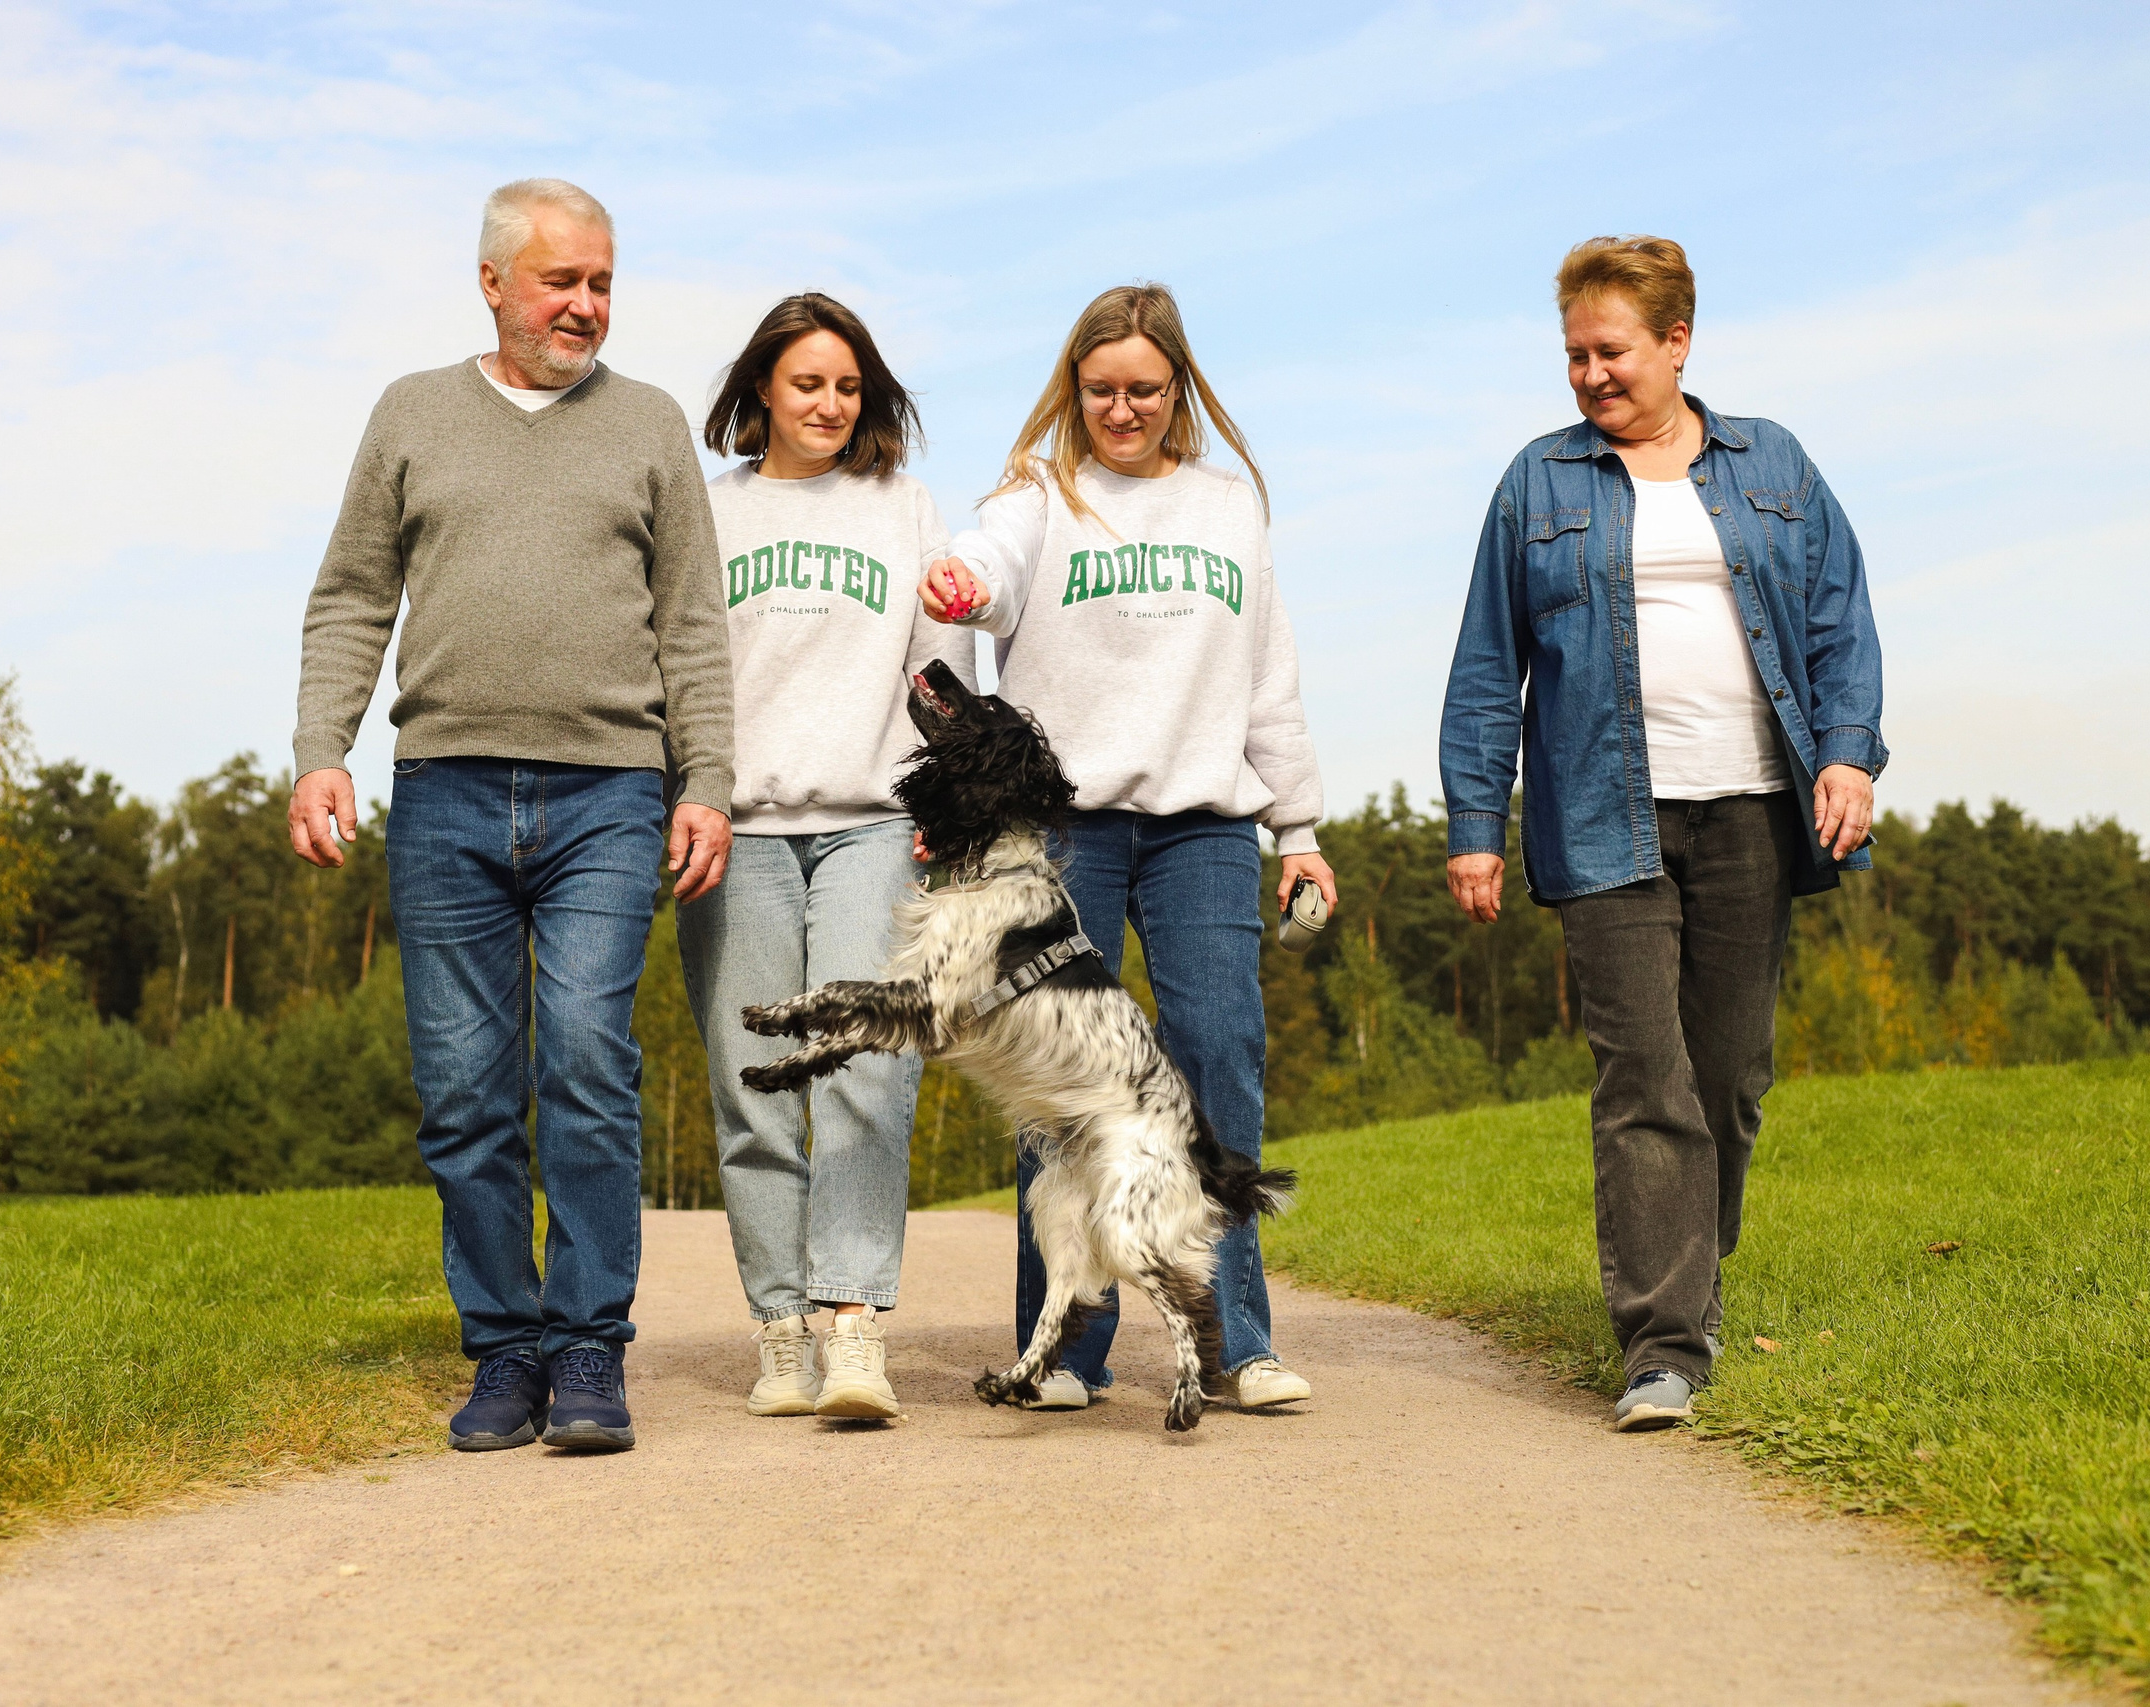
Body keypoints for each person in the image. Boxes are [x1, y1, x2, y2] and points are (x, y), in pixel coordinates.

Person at [287, 177, 735, 1454]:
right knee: (467, 1094)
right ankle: (504, 1353)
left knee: (588, 1067)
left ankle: (590, 1349)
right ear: (493, 283)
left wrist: (705, 781)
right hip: (445, 793)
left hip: (609, 790)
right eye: (561, 282)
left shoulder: (649, 425)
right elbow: (351, 597)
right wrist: (323, 751)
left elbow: (692, 624)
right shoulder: (410, 414)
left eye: (602, 283)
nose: (586, 306)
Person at [1437, 236, 1884, 1431]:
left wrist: (1847, 752)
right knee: (1644, 1079)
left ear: (1676, 344)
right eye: (1574, 354)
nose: (1589, 374)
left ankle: (1694, 1274)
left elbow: (1841, 621)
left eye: (1611, 351)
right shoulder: (1537, 484)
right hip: (1598, 820)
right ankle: (1662, 1344)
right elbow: (1489, 666)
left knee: (1728, 1076)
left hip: (1750, 807)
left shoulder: (1771, 461)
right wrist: (1475, 823)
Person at [922, 282, 1337, 1413]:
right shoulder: (1037, 498)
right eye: (1099, 390)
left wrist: (1296, 828)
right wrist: (967, 582)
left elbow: (1268, 675)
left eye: (1143, 390)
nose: (1121, 410)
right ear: (1074, 389)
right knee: (1067, 1086)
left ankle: (1239, 1339)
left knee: (1216, 1064)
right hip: (1065, 835)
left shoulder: (1224, 506)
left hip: (1203, 824)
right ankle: (1067, 1351)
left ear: (1178, 388)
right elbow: (989, 565)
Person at [683, 293, 974, 1422]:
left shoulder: (904, 509)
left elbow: (937, 669)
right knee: (750, 1082)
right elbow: (681, 673)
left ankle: (852, 1325)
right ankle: (779, 1330)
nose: (830, 404)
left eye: (848, 386)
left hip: (869, 824)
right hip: (737, 829)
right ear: (762, 388)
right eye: (808, 383)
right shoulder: (710, 514)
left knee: (865, 1069)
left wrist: (944, 797)